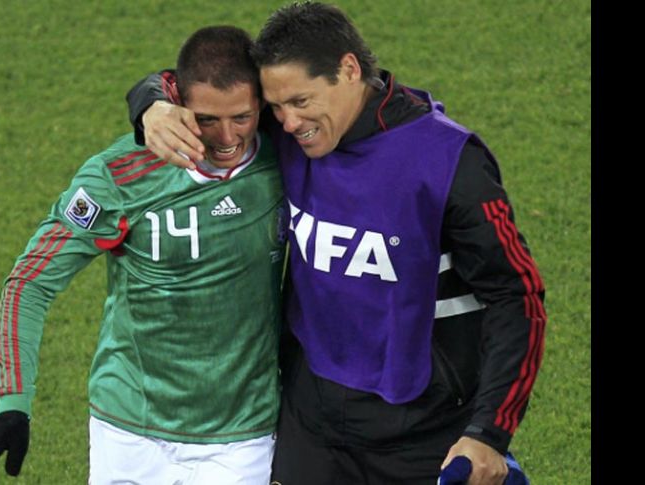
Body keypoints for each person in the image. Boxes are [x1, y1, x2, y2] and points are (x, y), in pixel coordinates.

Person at [126, 2, 546, 484]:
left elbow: (517, 297)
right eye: (276, 106)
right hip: (310, 423)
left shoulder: (449, 162)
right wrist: (150, 105)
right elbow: (188, 84)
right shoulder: (289, 132)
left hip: (423, 431)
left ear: (348, 70)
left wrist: (490, 432)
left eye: (300, 102)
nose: (285, 122)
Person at [0, 26, 288, 485]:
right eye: (205, 119)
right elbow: (31, 283)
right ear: (176, 104)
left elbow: (348, 95)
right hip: (128, 433)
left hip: (242, 438)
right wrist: (12, 406)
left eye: (242, 117)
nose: (226, 137)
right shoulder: (120, 175)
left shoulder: (288, 157)